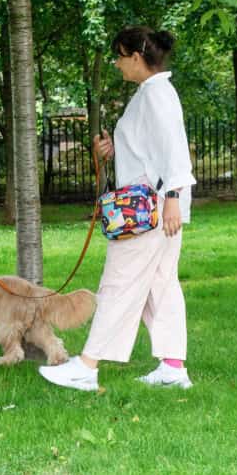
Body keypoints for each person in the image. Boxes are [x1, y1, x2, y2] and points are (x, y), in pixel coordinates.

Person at [39, 25, 196, 392]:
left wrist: (173, 198)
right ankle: (172, 367)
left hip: (150, 208)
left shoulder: (156, 95)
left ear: (136, 57)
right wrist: (114, 150)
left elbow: (174, 148)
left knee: (118, 282)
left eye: (120, 56)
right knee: (161, 286)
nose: (116, 63)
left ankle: (87, 366)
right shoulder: (150, 93)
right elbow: (149, 149)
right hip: (154, 204)